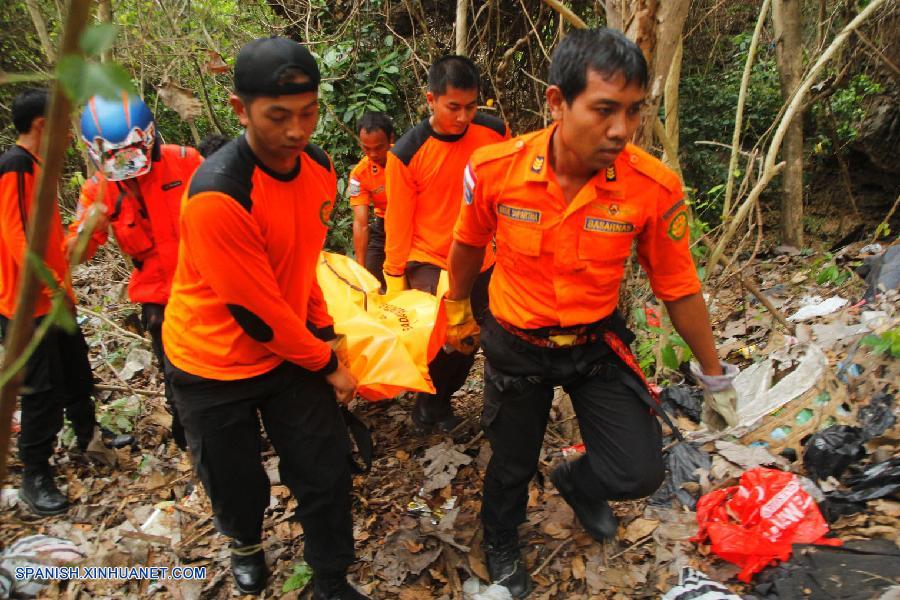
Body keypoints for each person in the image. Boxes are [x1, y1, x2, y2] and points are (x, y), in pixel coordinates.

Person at [446, 29, 739, 597]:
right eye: (604, 110)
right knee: (510, 464)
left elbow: (677, 284)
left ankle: (578, 480)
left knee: (639, 472)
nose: (621, 130)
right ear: (557, 102)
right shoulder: (495, 169)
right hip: (516, 341)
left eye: (633, 112)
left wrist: (714, 373)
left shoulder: (650, 186)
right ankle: (501, 542)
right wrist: (458, 309)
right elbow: (466, 242)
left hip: (593, 344)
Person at [161, 37, 366, 599]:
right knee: (234, 478)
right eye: (279, 117)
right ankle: (245, 543)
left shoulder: (319, 170)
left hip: (289, 346)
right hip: (213, 359)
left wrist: (327, 332)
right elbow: (258, 317)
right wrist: (327, 361)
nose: (297, 131)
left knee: (323, 468)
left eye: (309, 113)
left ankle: (330, 577)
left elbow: (305, 264)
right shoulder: (218, 195)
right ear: (239, 110)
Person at [0, 88, 122, 516]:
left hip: (55, 297)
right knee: (40, 391)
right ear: (40, 126)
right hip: (26, 308)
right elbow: (19, 238)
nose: (69, 135)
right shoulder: (15, 166)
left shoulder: (38, 168)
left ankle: (89, 434)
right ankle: (36, 473)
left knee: (76, 373)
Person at [68, 93, 202, 450]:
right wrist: (88, 225)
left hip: (206, 286)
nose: (124, 163)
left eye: (129, 151)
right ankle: (191, 435)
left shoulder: (185, 162)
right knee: (177, 375)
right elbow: (77, 253)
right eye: (113, 156)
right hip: (159, 300)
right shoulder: (98, 189)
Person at [383, 55, 509, 432]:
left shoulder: (494, 132)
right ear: (430, 100)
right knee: (447, 338)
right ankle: (429, 404)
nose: (463, 116)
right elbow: (398, 220)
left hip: (481, 256)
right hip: (430, 259)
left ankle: (440, 402)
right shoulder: (406, 154)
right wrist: (394, 278)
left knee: (480, 340)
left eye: (470, 106)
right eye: (453, 107)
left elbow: (509, 185)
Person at [348, 112, 394, 288]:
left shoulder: (407, 158)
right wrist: (360, 268)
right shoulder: (358, 175)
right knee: (371, 271)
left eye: (379, 147)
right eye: (366, 148)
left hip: (414, 223)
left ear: (390, 138)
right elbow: (361, 223)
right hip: (383, 226)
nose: (373, 154)